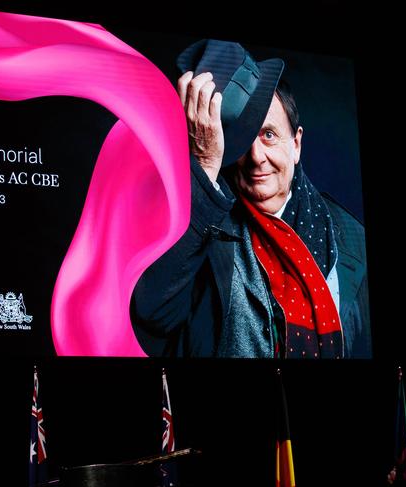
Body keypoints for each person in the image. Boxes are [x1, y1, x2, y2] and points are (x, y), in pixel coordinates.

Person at [130, 39, 370, 358]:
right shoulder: (201, 225)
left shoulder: (350, 238)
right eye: (241, 140)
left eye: (268, 135)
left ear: (296, 144)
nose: (257, 157)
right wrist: (203, 167)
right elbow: (154, 316)